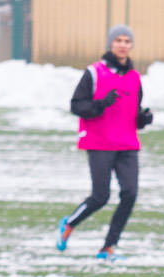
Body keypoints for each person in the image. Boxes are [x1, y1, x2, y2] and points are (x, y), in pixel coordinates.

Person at [56, 24, 153, 260]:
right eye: (118, 40)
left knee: (129, 194)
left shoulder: (134, 77)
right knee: (101, 196)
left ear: (131, 46)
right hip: (99, 143)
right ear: (111, 44)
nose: (123, 45)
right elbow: (76, 106)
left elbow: (133, 111)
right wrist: (101, 104)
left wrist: (143, 118)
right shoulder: (94, 73)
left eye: (127, 41)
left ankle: (108, 248)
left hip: (128, 144)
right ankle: (69, 223)